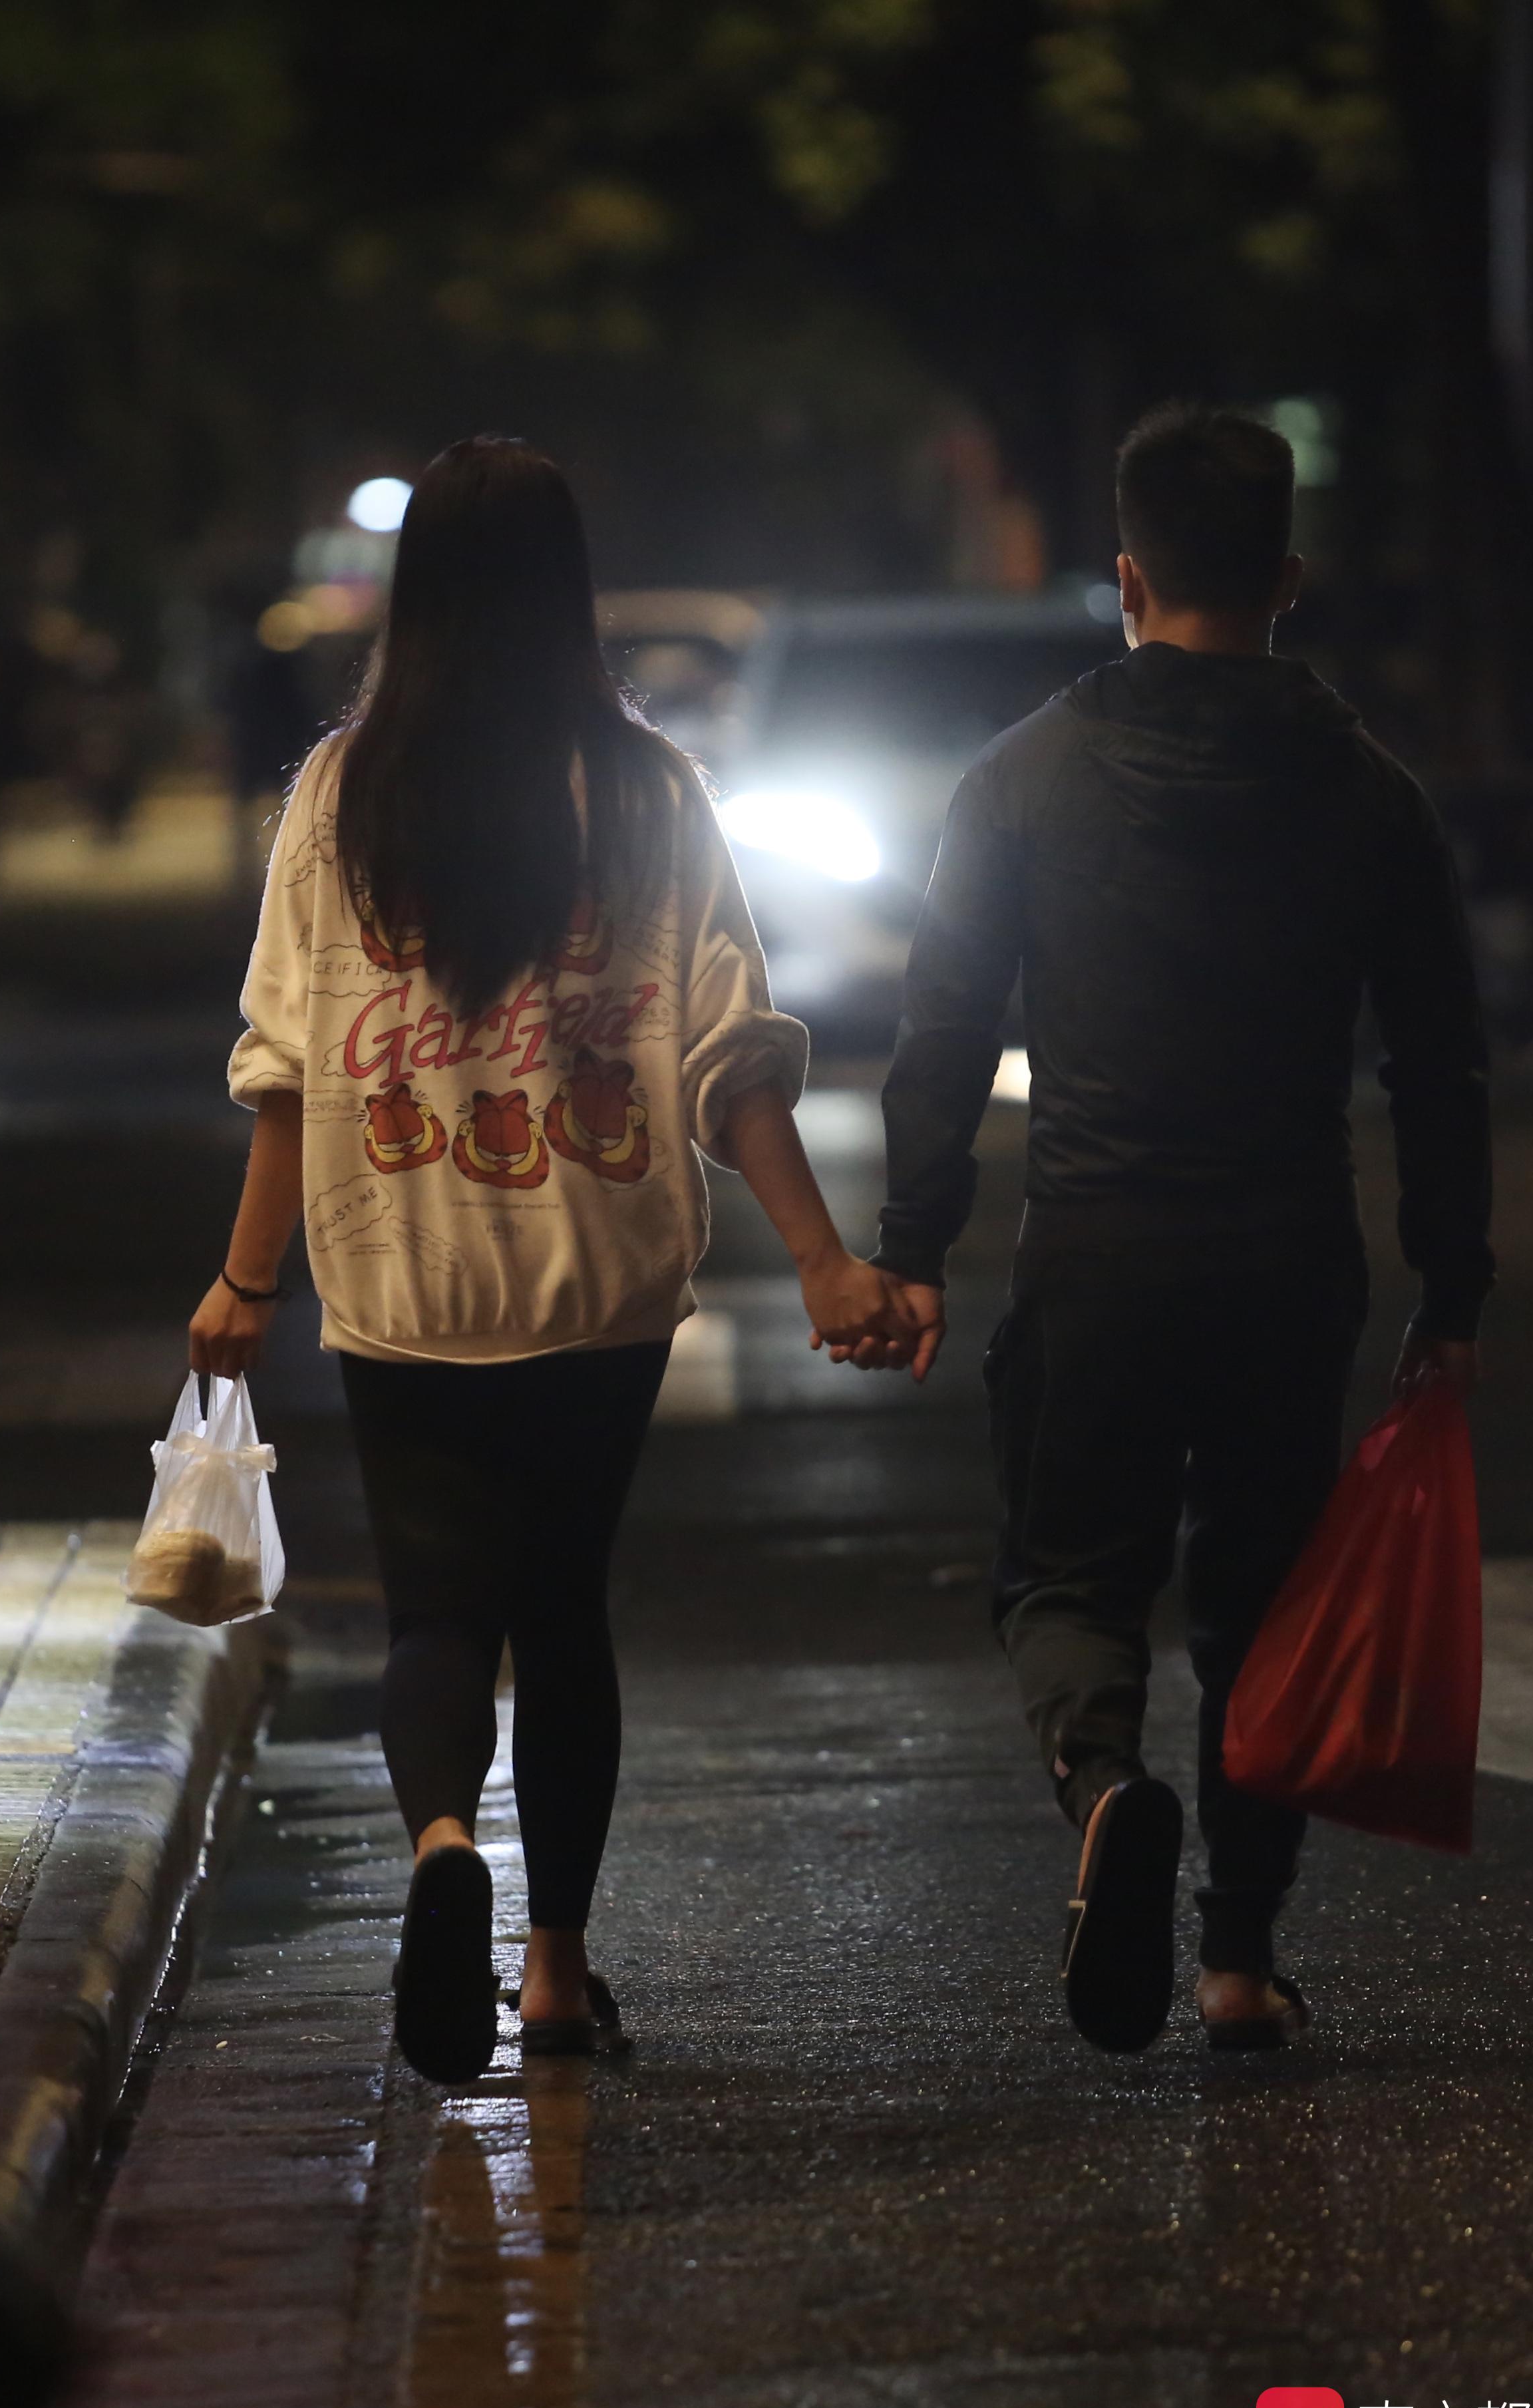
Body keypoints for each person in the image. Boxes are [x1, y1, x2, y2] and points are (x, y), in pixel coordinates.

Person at [190, 436, 917, 2085]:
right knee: (562, 1609)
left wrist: (247, 1283)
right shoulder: (652, 789)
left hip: (403, 1264)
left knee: (437, 1614)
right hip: (595, 1269)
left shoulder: (336, 793)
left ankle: (446, 1841)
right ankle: (556, 1973)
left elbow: (286, 1066)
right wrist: (818, 1258)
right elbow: (730, 1052)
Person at [860, 404, 1493, 2055]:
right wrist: (1455, 1275)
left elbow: (940, 1025)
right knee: (1264, 1608)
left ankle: (1100, 1783)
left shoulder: (1021, 781)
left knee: (1068, 1575)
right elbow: (1437, 1050)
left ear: (1124, 578)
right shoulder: (1368, 793)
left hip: (1098, 1249)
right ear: (1288, 577)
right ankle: (1232, 1958)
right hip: (1290, 1259)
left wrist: (911, 1242)